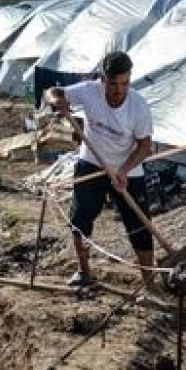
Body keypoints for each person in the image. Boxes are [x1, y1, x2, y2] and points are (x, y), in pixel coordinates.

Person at [43, 51, 155, 288]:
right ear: (103, 79)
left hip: (128, 170)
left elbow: (146, 147)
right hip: (91, 163)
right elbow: (52, 91)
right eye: (113, 84)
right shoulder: (89, 90)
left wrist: (123, 171)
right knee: (81, 218)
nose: (118, 90)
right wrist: (56, 101)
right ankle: (84, 273)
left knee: (140, 226)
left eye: (124, 83)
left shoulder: (139, 106)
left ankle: (150, 284)